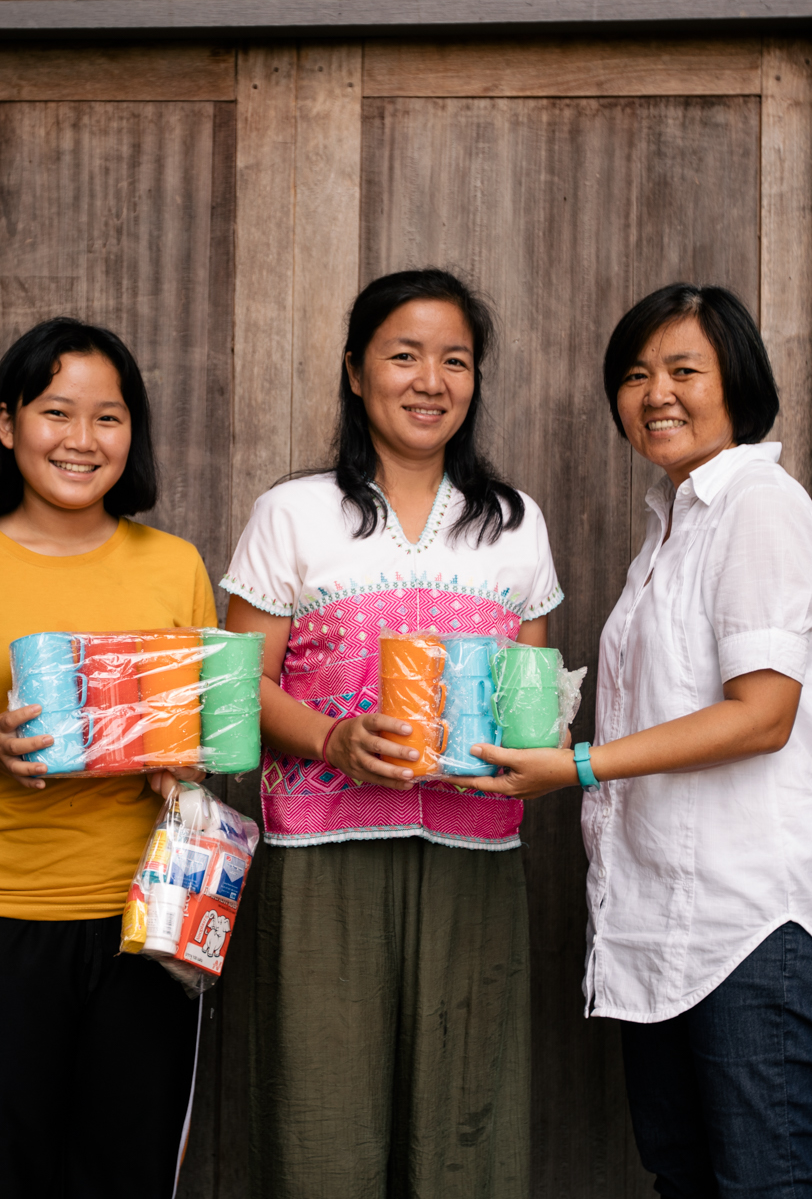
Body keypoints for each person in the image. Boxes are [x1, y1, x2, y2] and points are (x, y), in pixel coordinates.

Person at [451, 284, 812, 1198]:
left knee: (764, 1186)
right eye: (635, 375)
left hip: (751, 922)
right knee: (686, 1179)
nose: (655, 393)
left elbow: (763, 713)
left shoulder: (759, 504)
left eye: (683, 370)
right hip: (661, 923)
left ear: (735, 383)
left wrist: (578, 763)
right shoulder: (670, 528)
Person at [220, 268, 563, 1199]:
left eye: (455, 360)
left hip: (475, 852)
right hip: (324, 854)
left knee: (468, 1123)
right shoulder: (293, 512)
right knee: (321, 1116)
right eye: (403, 355)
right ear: (355, 371)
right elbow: (236, 689)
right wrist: (332, 740)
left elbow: (531, 693)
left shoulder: (515, 523)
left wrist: (536, 753)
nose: (431, 380)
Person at [0, 318, 214, 1199]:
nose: (83, 439)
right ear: (9, 423)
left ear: (132, 435)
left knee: (130, 1169)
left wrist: (181, 762)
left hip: (152, 918)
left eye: (109, 416)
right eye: (58, 412)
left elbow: (201, 726)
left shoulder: (174, 565)